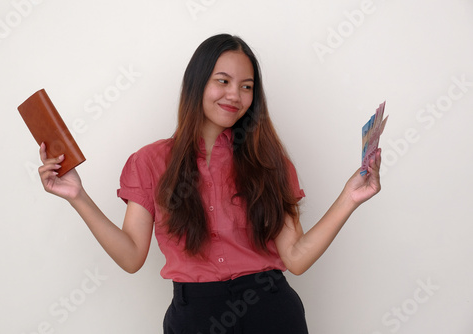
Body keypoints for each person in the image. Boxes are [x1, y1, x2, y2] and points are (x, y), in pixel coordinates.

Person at [38, 34, 382, 334]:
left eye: (247, 86)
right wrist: (78, 197)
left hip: (272, 314)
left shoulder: (269, 161)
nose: (235, 95)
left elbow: (296, 257)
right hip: (195, 319)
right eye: (223, 81)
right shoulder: (149, 162)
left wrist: (349, 198)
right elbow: (131, 256)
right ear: (198, 83)